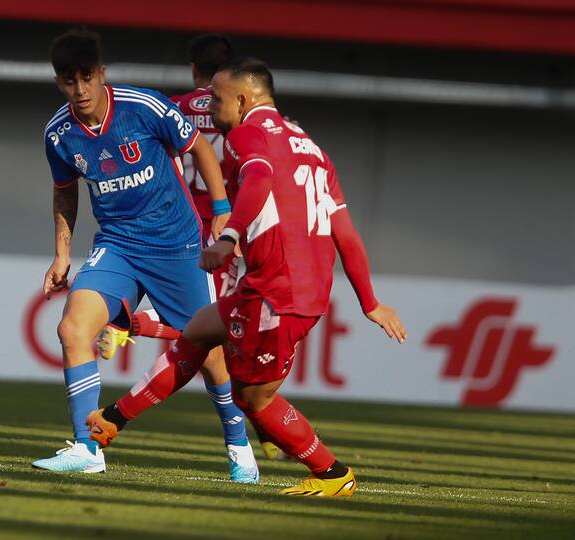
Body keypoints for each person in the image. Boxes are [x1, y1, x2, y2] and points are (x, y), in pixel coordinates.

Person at [86, 58, 408, 496]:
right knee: (199, 330)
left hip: (278, 293)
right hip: (287, 285)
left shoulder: (245, 135)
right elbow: (345, 233)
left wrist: (228, 235)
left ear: (242, 100)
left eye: (217, 100)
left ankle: (334, 474)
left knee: (253, 400)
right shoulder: (311, 146)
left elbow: (257, 177)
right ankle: (114, 419)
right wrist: (369, 301)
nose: (213, 109)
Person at [30, 29, 259, 483]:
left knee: (210, 355)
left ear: (101, 74)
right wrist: (61, 255)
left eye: (86, 78)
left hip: (177, 245)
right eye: (68, 81)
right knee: (72, 328)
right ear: (59, 83)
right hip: (116, 243)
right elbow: (64, 194)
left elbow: (199, 150)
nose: (79, 90)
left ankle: (239, 447)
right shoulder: (59, 134)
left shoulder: (143, 106)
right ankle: (87, 446)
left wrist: (221, 211)